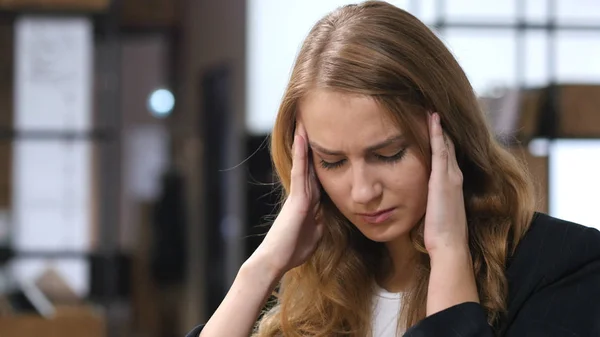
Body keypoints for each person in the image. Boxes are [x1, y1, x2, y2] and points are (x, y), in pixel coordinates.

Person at [187, 1, 600, 336]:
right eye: (332, 162)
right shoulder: (324, 285)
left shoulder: (563, 266)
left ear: (449, 134)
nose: (363, 191)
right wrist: (260, 268)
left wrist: (449, 254)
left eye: (388, 155)